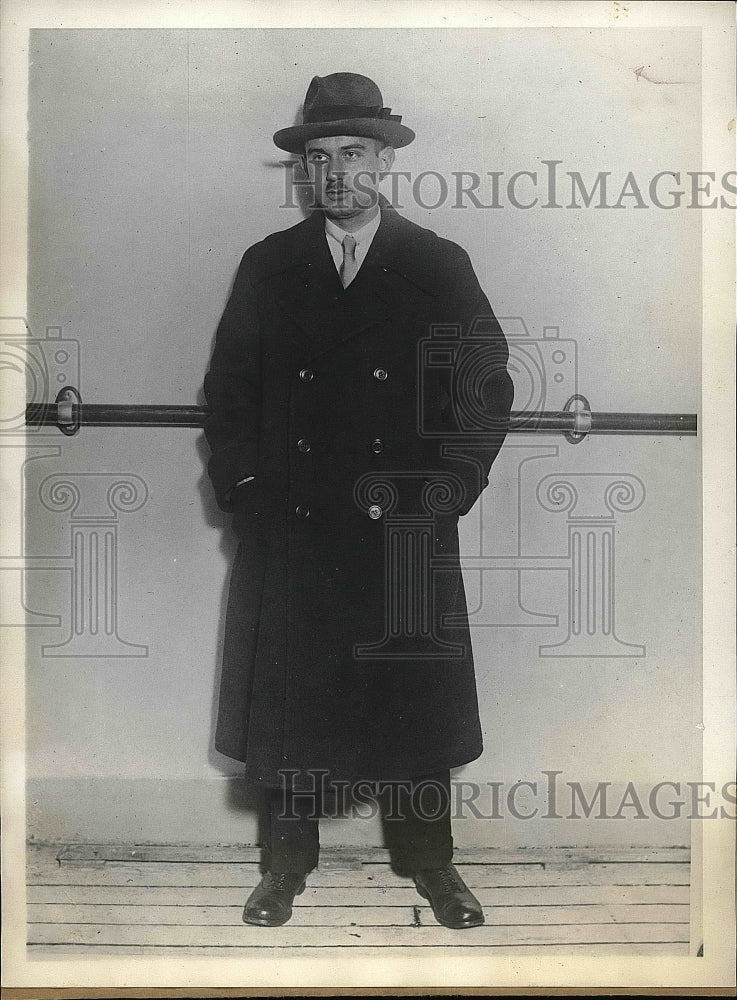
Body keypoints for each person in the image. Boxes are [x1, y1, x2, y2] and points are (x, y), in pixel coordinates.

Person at [202, 72, 514, 929]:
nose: (335, 173)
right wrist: (251, 490)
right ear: (301, 172)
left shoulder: (436, 264)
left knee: (412, 698)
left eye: (352, 154)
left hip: (400, 525)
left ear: (382, 162)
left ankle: (431, 866)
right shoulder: (269, 266)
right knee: (291, 696)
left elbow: (483, 390)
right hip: (295, 524)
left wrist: (442, 492)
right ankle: (283, 869)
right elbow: (228, 395)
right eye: (319, 158)